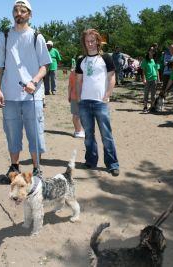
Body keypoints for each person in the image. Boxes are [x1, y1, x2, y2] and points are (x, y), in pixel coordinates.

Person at [0, 0, 52, 182]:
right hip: (9, 94)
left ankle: (36, 169)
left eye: (23, 10)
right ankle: (14, 167)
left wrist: (33, 81)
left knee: (35, 132)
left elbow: (45, 66)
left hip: (32, 95)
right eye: (16, 10)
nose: (19, 13)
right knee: (12, 132)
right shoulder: (3, 36)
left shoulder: (36, 37)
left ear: (30, 15)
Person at [75, 28, 120, 177]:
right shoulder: (81, 60)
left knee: (106, 135)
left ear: (98, 41)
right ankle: (90, 160)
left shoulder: (106, 58)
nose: (90, 44)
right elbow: (79, 80)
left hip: (100, 103)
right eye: (87, 41)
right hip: (84, 103)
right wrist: (79, 97)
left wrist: (107, 95)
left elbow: (112, 77)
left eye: (92, 41)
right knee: (88, 135)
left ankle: (112, 164)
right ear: (84, 43)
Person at [141, 48, 160, 113]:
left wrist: (158, 79)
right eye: (151, 50)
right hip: (147, 79)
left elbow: (157, 71)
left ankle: (152, 107)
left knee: (153, 94)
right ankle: (145, 106)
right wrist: (144, 79)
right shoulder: (145, 60)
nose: (152, 52)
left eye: (153, 51)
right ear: (148, 51)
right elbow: (143, 71)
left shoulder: (156, 60)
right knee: (146, 93)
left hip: (154, 79)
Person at [67, 65, 84, 138]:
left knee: (75, 114)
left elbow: (69, 86)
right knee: (78, 115)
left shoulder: (72, 72)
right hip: (81, 96)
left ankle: (77, 130)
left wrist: (69, 95)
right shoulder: (84, 73)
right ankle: (78, 131)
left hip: (73, 95)